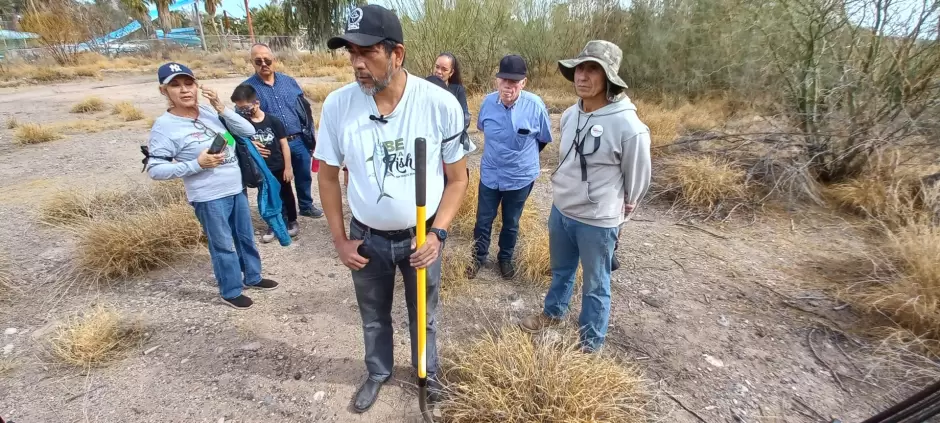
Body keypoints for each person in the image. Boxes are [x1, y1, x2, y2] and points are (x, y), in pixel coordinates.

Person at [314, 4, 469, 414]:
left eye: (367, 53)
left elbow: (458, 180)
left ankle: (426, 371)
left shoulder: (439, 104)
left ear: (396, 54)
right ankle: (379, 371)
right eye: (351, 53)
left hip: (422, 237)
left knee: (424, 314)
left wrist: (438, 234)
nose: (357, 63)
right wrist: (340, 240)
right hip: (366, 239)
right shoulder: (337, 106)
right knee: (373, 316)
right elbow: (327, 177)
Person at [519, 40, 652, 353]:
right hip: (562, 212)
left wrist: (618, 219)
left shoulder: (629, 126)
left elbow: (638, 181)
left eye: (593, 69)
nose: (583, 75)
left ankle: (590, 345)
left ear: (609, 79)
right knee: (562, 271)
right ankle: (553, 315)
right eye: (580, 67)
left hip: (598, 222)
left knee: (596, 285)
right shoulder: (568, 115)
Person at [146, 62, 280, 310]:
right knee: (223, 245)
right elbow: (155, 169)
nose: (185, 90)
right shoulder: (164, 127)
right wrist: (197, 164)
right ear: (163, 91)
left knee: (245, 237)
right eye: (175, 85)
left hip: (235, 188)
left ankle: (253, 276)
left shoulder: (209, 113)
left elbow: (247, 130)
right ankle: (230, 290)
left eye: (189, 83)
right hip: (208, 196)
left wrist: (221, 107)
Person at [469, 54, 552, 280]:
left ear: (523, 83)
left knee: (511, 221)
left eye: (514, 82)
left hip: (519, 176)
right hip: (491, 173)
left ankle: (505, 258)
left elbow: (543, 139)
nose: (509, 86)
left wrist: (519, 157)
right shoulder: (487, 103)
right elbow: (483, 129)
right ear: (497, 81)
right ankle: (477, 257)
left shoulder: (535, 106)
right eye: (504, 80)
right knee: (483, 219)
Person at [243, 43, 325, 219]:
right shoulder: (247, 89)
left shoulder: (290, 82)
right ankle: (284, 213)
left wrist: (310, 137)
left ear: (275, 60)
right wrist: (250, 142)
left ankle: (306, 205)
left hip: (298, 139)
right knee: (279, 181)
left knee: (304, 175)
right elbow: (238, 120)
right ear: (252, 63)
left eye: (267, 60)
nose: (264, 64)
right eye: (258, 61)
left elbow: (304, 110)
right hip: (271, 144)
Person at [230, 83, 300, 243]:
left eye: (245, 107)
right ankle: (273, 223)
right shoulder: (241, 124)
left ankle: (291, 220)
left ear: (257, 103)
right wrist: (248, 145)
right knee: (267, 196)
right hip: (259, 169)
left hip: (278, 166)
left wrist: (288, 167)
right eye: (239, 108)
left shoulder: (273, 121)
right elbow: (228, 137)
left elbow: (284, 145)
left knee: (286, 193)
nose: (243, 111)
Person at [431, 52, 470, 130]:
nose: (439, 71)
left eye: (444, 69)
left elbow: (464, 116)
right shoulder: (424, 87)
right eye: (437, 67)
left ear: (451, 72)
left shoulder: (458, 90)